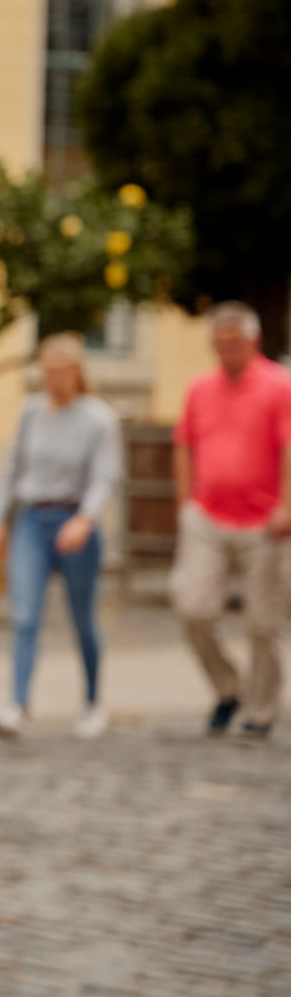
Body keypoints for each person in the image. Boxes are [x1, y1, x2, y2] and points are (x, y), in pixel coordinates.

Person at [0, 332, 124, 740]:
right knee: (24, 615)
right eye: (46, 372)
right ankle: (18, 705)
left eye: (59, 372)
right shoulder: (30, 412)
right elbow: (12, 468)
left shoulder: (100, 418)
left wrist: (86, 518)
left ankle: (93, 703)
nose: (51, 380)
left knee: (83, 620)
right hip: (32, 521)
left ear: (77, 372)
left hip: (75, 523)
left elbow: (105, 476)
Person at [169, 302, 291, 740]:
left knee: (263, 622)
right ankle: (228, 687)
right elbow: (183, 443)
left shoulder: (280, 385)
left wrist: (287, 505)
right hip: (208, 517)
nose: (224, 352)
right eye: (217, 344)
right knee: (193, 607)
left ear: (253, 341)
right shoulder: (200, 388)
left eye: (232, 344)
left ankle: (260, 710)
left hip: (264, 522)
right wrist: (186, 502)